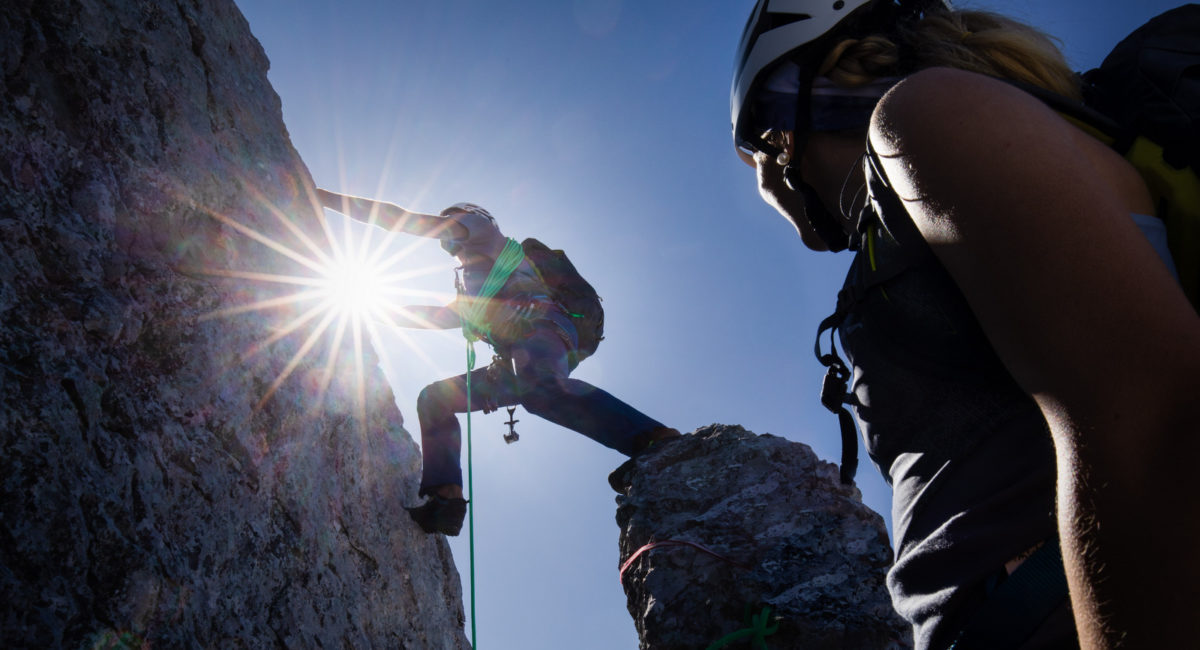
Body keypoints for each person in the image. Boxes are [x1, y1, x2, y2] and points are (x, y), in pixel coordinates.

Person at [730, 1, 1198, 648]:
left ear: (781, 129)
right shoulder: (948, 161)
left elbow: (1149, 413)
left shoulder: (928, 116)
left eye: (764, 144)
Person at [316, 189, 679, 536]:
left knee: (540, 388)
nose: (447, 237)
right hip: (518, 357)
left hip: (545, 328)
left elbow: (401, 220)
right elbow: (435, 316)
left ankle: (654, 441)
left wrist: (325, 199)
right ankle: (446, 500)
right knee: (436, 399)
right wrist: (366, 308)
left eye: (450, 227)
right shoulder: (472, 290)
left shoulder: (482, 228)